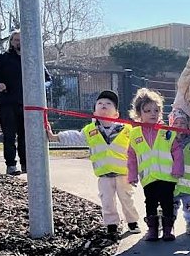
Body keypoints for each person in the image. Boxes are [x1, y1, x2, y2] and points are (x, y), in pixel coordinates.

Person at [45, 90, 139, 237]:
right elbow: (75, 137)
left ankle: (132, 222)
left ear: (116, 114)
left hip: (123, 173)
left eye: (109, 104)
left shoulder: (127, 129)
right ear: (94, 112)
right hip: (104, 174)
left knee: (127, 198)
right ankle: (111, 224)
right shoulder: (90, 130)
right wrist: (55, 137)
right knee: (107, 201)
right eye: (100, 103)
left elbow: (138, 145)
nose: (104, 105)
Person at [0, 31, 50, 175]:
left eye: (21, 40)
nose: (18, 42)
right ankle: (11, 165)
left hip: (28, 106)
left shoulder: (34, 59)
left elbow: (48, 79)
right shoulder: (3, 59)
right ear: (11, 42)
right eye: (15, 40)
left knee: (25, 136)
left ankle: (26, 164)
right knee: (9, 136)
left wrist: (40, 88)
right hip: (8, 104)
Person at [127, 89, 183, 242]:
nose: (153, 114)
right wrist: (132, 175)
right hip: (149, 177)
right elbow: (131, 156)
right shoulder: (134, 133)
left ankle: (167, 229)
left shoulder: (167, 132)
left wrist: (178, 168)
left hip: (167, 176)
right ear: (139, 113)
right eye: (148, 110)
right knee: (150, 202)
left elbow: (177, 150)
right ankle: (152, 230)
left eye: (156, 110)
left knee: (167, 202)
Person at [168, 112, 190, 236]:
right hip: (174, 182)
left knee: (189, 205)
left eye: (182, 123)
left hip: (189, 183)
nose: (179, 125)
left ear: (188, 125)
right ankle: (169, 225)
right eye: (176, 123)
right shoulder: (167, 140)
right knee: (172, 205)